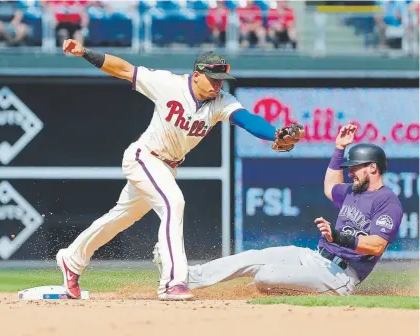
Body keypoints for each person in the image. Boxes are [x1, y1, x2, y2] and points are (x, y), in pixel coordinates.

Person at [55, 39, 305, 301]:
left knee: (119, 218)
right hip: (144, 158)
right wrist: (84, 52)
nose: (218, 84)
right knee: (174, 203)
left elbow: (246, 119)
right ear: (196, 75)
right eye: (213, 78)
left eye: (221, 79)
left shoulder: (221, 101)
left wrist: (273, 133)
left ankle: (71, 259)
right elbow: (125, 69)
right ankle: (173, 282)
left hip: (166, 167)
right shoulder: (169, 84)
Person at [153, 124, 403, 296]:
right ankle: (184, 276)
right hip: (315, 257)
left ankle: (283, 288)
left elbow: (376, 245)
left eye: (355, 167)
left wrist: (338, 237)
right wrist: (338, 148)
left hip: (341, 276)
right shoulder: (352, 191)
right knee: (251, 257)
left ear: (373, 168)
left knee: (266, 275)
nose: (350, 172)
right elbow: (330, 186)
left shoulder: (388, 202)